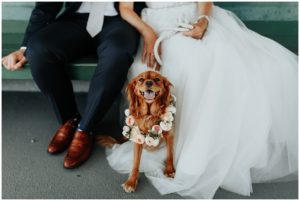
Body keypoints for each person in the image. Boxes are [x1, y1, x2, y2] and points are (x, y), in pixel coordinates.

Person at [105, 2, 298, 198]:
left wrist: (203, 20)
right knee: (170, 65)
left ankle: (216, 146)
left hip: (194, 18)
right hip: (156, 26)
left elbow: (205, 2)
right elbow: (126, 9)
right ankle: (183, 144)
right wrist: (148, 32)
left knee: (219, 56)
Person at [1, 2, 145, 169]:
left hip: (119, 21)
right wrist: (24, 48)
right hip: (75, 20)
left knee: (118, 53)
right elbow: (45, 7)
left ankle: (86, 128)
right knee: (38, 49)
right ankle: (70, 119)